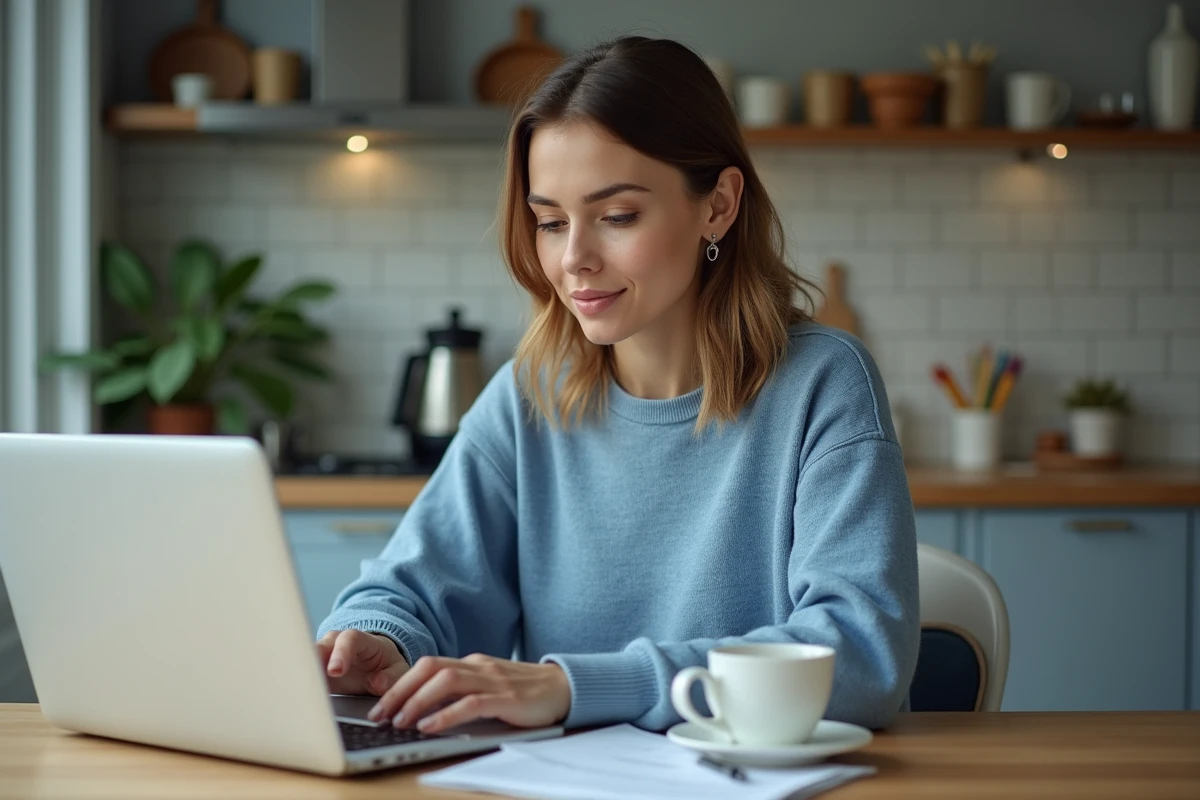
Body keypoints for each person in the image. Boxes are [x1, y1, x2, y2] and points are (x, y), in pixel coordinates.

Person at [315, 35, 919, 736]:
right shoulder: (530, 396)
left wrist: (578, 687)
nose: (574, 258)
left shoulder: (824, 383)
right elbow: (412, 587)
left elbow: (860, 653)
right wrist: (373, 638)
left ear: (718, 205)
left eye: (617, 216)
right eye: (550, 222)